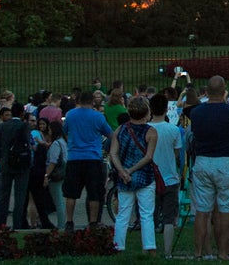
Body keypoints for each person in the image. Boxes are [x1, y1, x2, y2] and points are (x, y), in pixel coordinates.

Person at [189, 76, 229, 260]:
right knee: (227, 210)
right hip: (226, 161)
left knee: (202, 211)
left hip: (203, 160)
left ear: (207, 90)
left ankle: (198, 253)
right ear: (224, 90)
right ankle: (223, 252)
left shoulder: (196, 113)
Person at [109, 96, 158, 253]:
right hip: (145, 176)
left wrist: (123, 171)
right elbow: (148, 156)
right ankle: (149, 246)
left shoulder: (120, 129)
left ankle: (118, 245)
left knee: (123, 213)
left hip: (125, 178)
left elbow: (113, 153)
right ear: (146, 113)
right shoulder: (151, 132)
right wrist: (131, 170)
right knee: (146, 214)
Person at [62, 89, 114, 231]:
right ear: (92, 101)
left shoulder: (70, 115)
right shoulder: (97, 117)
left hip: (74, 157)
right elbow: (110, 134)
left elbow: (65, 130)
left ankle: (69, 221)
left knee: (71, 193)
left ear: (78, 101)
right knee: (94, 193)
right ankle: (92, 222)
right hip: (92, 157)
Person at [147, 94, 183, 258]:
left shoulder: (146, 129)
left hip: (150, 178)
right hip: (169, 177)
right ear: (167, 109)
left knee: (149, 216)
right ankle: (167, 252)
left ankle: (150, 250)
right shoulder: (174, 129)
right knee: (169, 218)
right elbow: (176, 153)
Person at [0, 106, 32, 229]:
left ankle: (0, 224)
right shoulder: (24, 126)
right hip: (21, 164)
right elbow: (27, 144)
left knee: (4, 196)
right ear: (21, 114)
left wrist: (1, 160)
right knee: (20, 196)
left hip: (6, 163)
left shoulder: (2, 126)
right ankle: (18, 224)